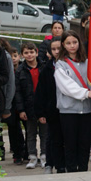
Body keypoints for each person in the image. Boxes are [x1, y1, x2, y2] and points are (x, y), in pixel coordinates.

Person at [54, 31, 91, 172]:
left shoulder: (88, 62)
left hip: (88, 110)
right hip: (69, 111)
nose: (72, 46)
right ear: (63, 45)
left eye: (75, 42)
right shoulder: (60, 65)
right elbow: (66, 87)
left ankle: (83, 169)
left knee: (85, 144)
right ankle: (71, 171)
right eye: (68, 43)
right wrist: (86, 93)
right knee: (70, 144)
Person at [34, 38, 64, 173]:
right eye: (54, 49)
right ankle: (51, 164)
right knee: (53, 137)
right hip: (52, 109)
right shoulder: (47, 69)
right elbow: (41, 92)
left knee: (65, 138)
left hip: (67, 108)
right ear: (49, 52)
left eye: (59, 48)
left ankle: (63, 163)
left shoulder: (70, 64)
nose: (57, 51)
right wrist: (40, 112)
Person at [16, 42, 46, 168]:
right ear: (22, 55)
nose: (29, 55)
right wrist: (21, 109)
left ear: (36, 52)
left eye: (31, 52)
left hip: (43, 106)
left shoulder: (44, 67)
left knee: (45, 132)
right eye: (26, 53)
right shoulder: (20, 70)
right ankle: (32, 157)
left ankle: (45, 155)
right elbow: (17, 92)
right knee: (30, 132)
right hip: (28, 107)